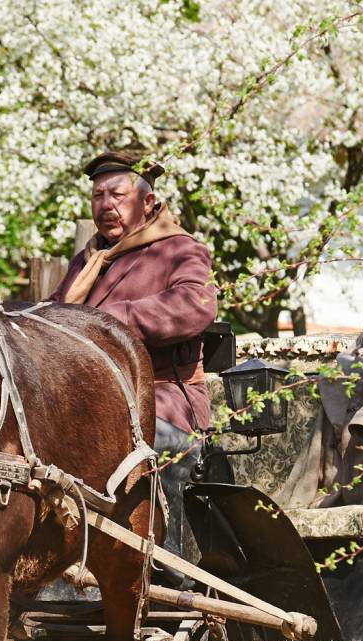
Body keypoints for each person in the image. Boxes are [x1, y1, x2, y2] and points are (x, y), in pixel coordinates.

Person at [47, 151, 218, 572]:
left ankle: (169, 572)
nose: (106, 205)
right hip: (86, 402)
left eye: (117, 194)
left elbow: (193, 305)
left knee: (141, 448)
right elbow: (54, 314)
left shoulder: (182, 250)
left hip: (160, 399)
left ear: (147, 202)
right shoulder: (88, 261)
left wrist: (107, 324)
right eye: (98, 196)